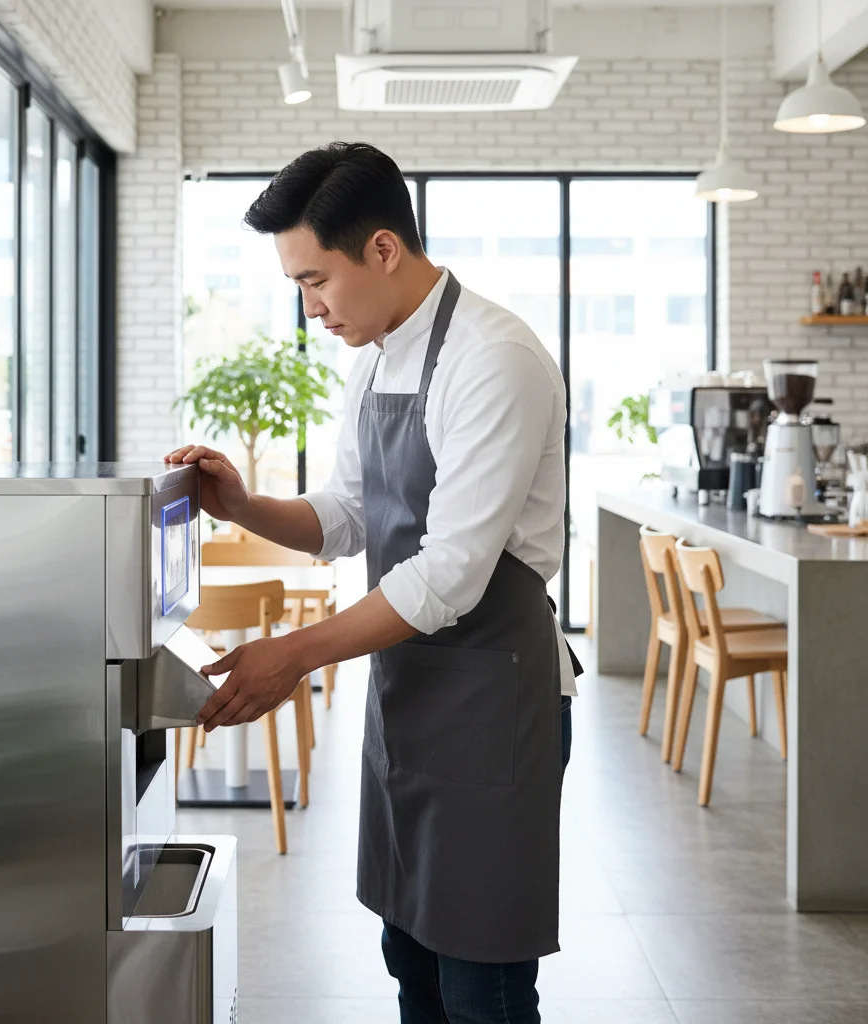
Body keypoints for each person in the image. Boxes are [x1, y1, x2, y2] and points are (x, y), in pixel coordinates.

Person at [165, 141, 581, 1024]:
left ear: (383, 249)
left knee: (483, 986)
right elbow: (349, 513)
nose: (310, 308)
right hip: (411, 696)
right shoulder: (379, 355)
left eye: (316, 280)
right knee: (412, 962)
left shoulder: (493, 358)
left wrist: (295, 657)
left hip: (495, 707)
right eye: (298, 287)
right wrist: (243, 505)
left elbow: (451, 575)